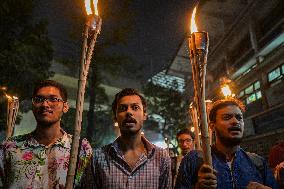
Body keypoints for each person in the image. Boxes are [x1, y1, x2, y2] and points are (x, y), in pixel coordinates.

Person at [0, 80, 92, 188]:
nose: (44, 104)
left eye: (53, 99)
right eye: (39, 99)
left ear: (65, 107)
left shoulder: (80, 148)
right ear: (33, 106)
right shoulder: (10, 146)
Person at [175, 98, 278, 189]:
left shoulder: (258, 163)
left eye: (239, 117)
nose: (235, 121)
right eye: (227, 117)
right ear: (212, 126)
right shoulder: (193, 160)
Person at [89, 88, 171, 189]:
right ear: (115, 117)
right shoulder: (98, 157)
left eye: (135, 107)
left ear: (144, 115)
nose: (129, 112)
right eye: (123, 108)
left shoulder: (161, 157)